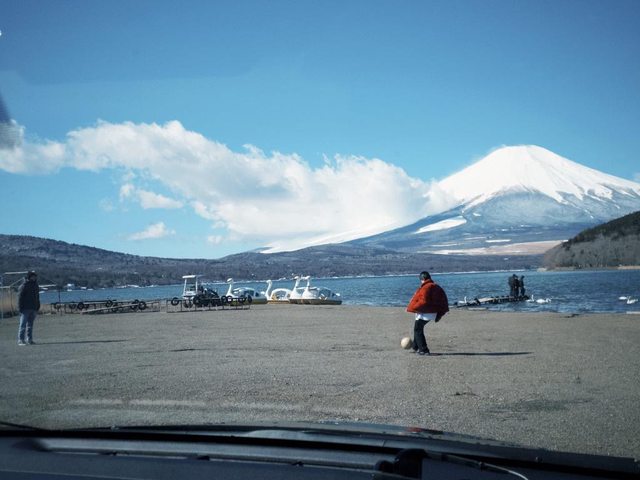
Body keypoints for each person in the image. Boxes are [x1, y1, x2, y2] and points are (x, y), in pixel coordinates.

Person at [406, 271, 449, 355]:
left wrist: (413, 307)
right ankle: (415, 346)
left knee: (418, 329)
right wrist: (441, 312)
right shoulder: (436, 286)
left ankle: (424, 350)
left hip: (425, 312)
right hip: (432, 312)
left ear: (422, 279)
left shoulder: (425, 287)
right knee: (418, 327)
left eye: (421, 280)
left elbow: (423, 301)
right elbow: (443, 300)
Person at [17, 271, 40, 346]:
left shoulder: (36, 285)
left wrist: (38, 306)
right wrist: (20, 308)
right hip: (25, 308)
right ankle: (21, 340)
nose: (35, 277)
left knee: (30, 325)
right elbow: (20, 297)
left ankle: (29, 339)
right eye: (33, 276)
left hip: (33, 308)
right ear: (29, 277)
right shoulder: (24, 285)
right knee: (23, 325)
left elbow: (37, 296)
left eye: (35, 276)